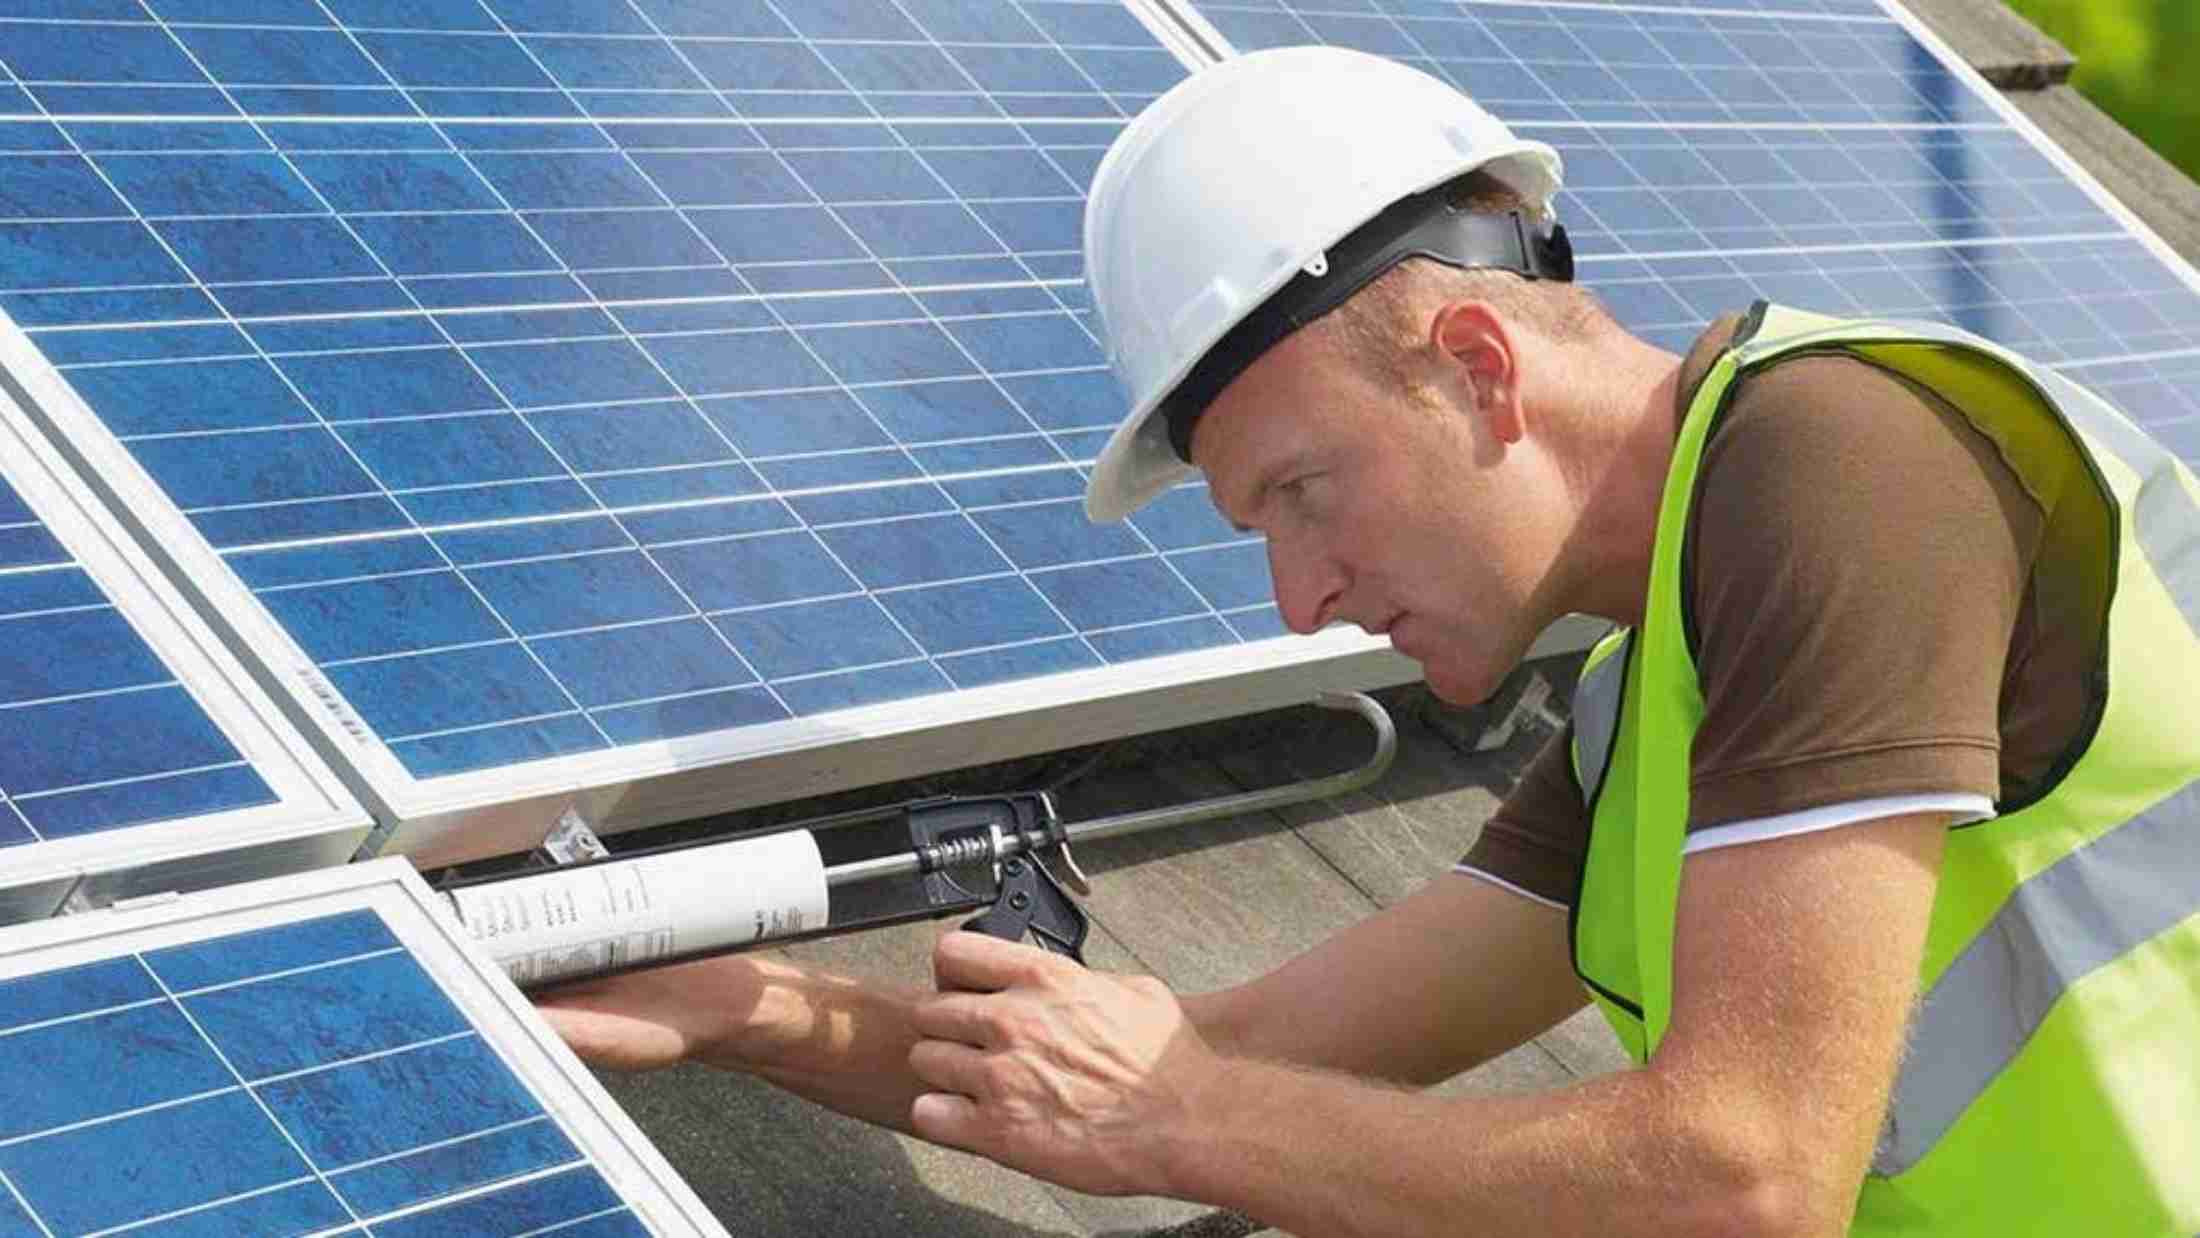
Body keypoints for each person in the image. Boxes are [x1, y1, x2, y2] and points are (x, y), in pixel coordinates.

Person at [538, 47, 2200, 1237]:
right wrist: (748, 1009)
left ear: (1480, 362)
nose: (1301, 600)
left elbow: (1743, 1178)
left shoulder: (1847, 459)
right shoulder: (1653, 721)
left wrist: (1185, 1122)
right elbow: (1222, 1051)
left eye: (1306, 492)